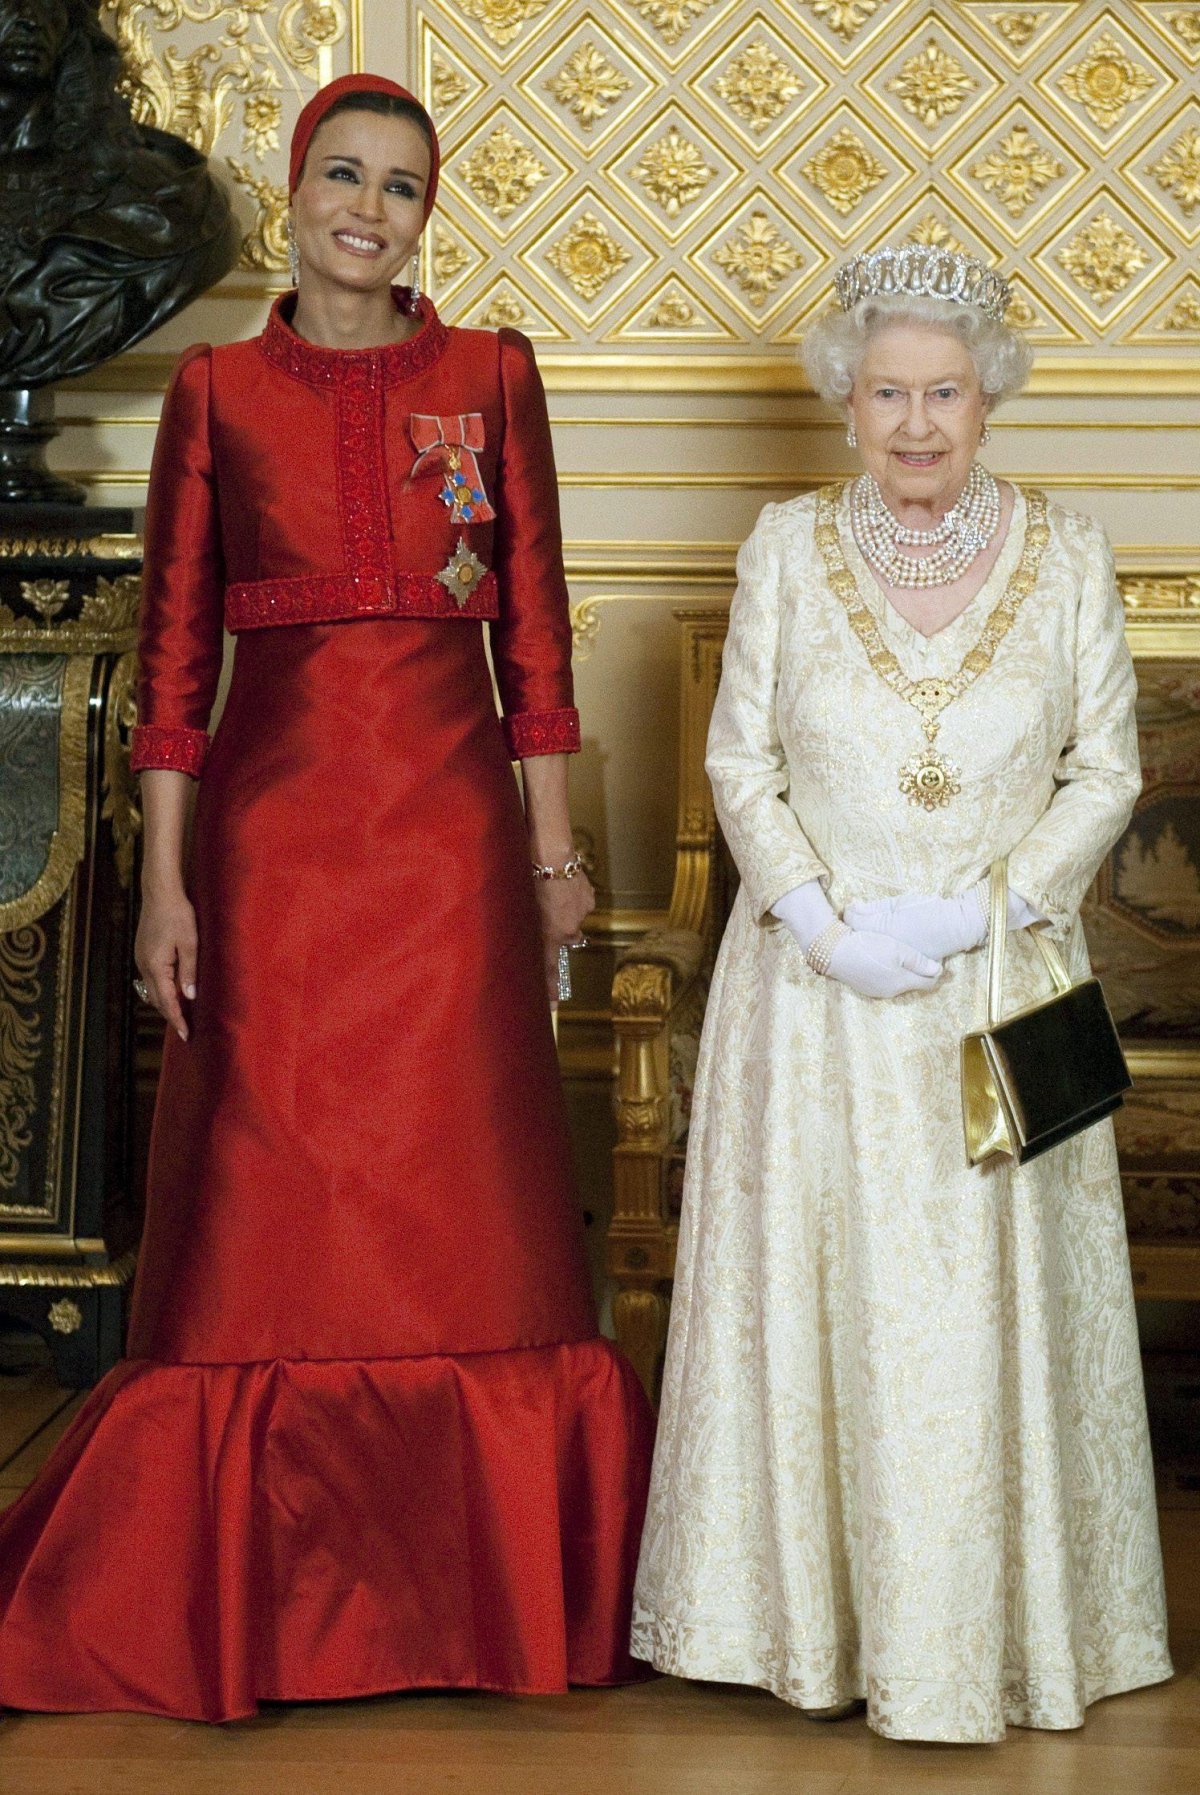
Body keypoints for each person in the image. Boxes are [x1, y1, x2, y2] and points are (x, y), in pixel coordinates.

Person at [0, 73, 654, 1722]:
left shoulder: (493, 376)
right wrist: (165, 885)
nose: (370, 208)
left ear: (430, 214)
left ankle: (485, 1606)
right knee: (275, 1218)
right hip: (273, 857)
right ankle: (242, 1615)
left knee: (462, 1213)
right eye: (344, 176)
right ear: (293, 194)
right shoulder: (215, 392)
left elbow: (536, 638)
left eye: (403, 186)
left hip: (451, 858)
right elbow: (171, 665)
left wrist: (552, 855)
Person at [631, 246, 1171, 1744]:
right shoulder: (786, 546)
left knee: (989, 1320)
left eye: (944, 393)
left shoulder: (1069, 552)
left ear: (989, 399)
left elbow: (1107, 771)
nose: (916, 423)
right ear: (847, 402)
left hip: (1005, 989)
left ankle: (1010, 1635)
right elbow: (739, 760)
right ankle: (812, 1631)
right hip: (819, 996)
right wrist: (818, 917)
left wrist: (992, 904)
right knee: (829, 1310)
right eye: (887, 394)